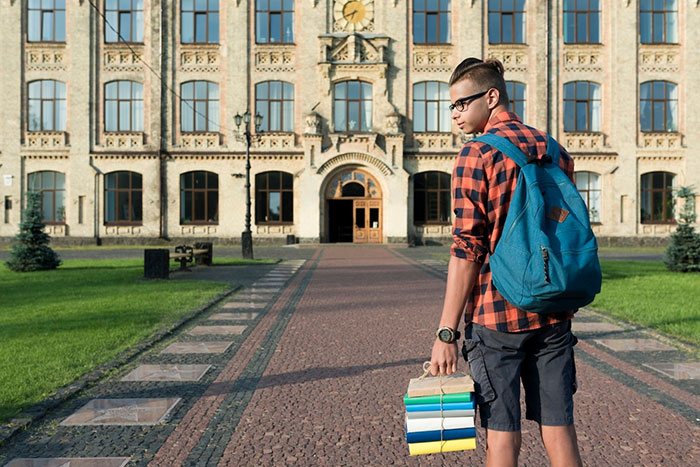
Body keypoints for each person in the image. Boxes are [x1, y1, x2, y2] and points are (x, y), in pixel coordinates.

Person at [430, 57, 583, 467]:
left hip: (497, 316)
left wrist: (446, 333)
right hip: (554, 305)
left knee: (501, 433)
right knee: (559, 427)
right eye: (452, 107)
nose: (456, 114)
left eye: (462, 104)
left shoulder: (476, 154)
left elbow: (467, 249)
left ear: (492, 96)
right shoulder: (554, 149)